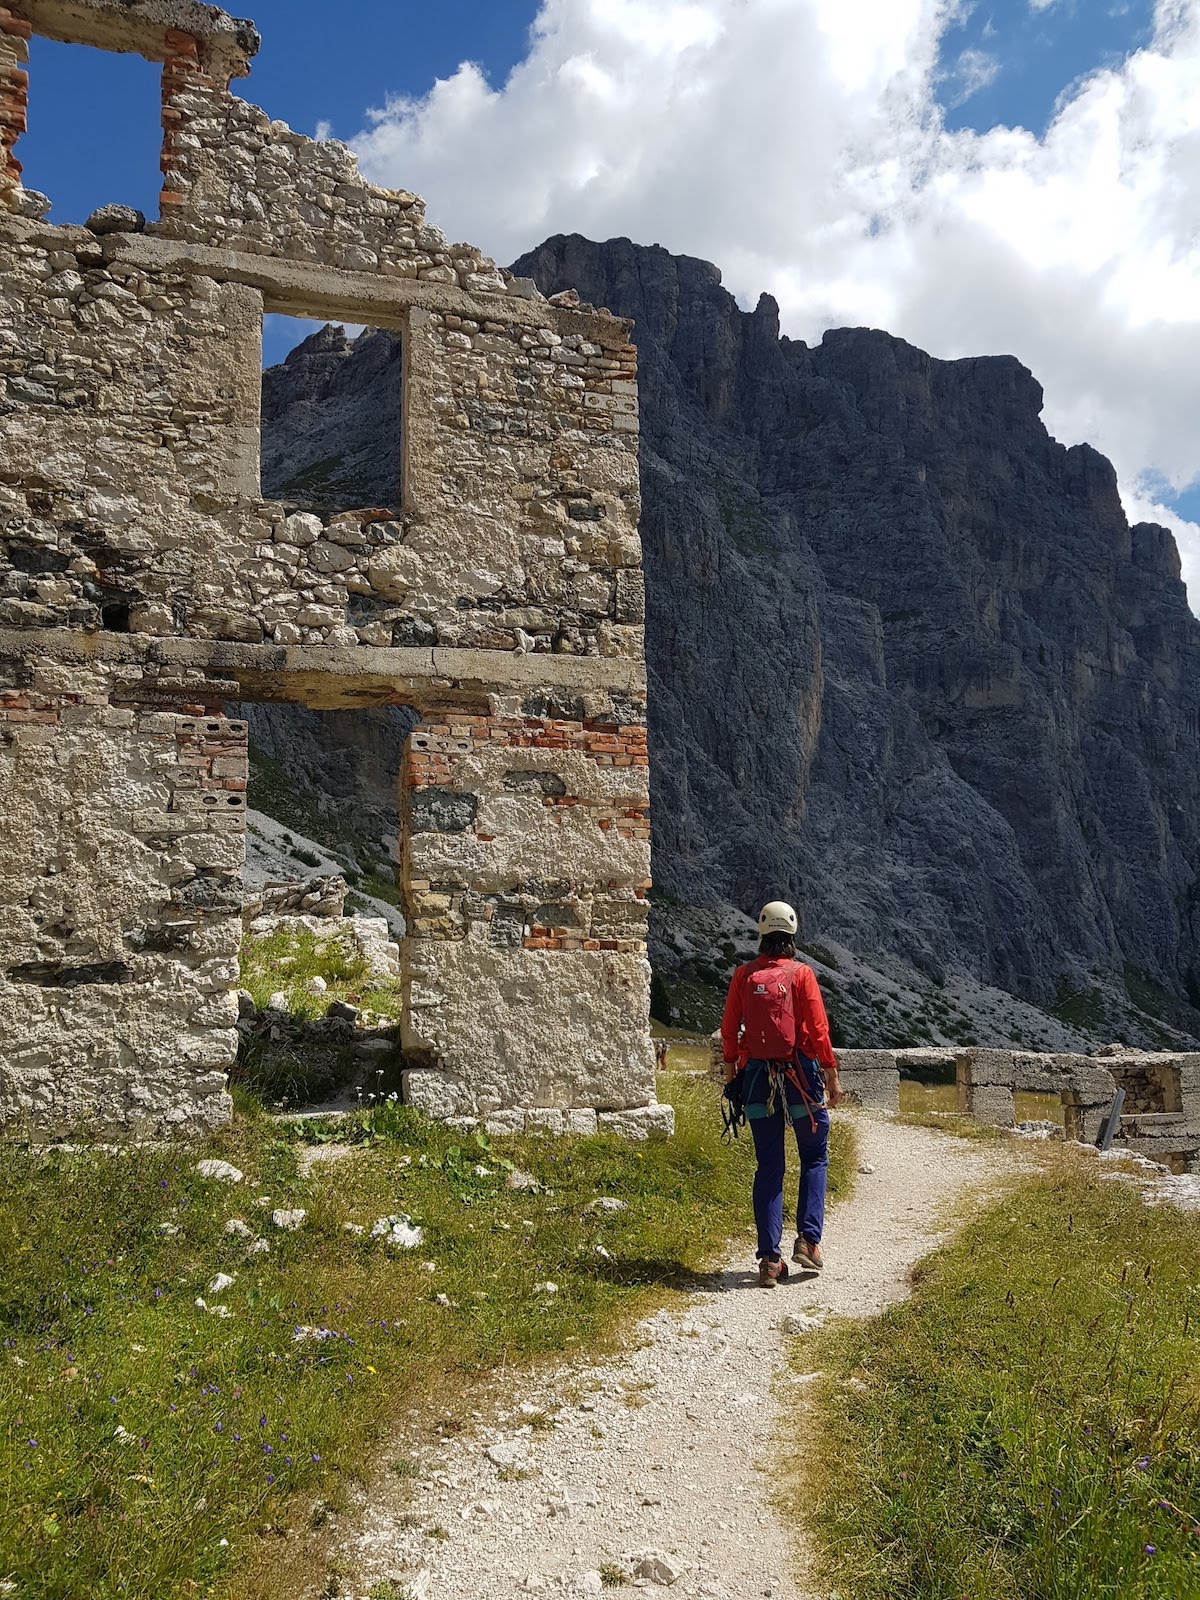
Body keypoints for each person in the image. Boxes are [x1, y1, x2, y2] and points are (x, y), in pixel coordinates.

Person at [721, 901, 843, 1288]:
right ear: (792, 935)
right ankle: (808, 1240)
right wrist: (832, 1077)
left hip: (757, 1077)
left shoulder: (744, 975)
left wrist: (731, 1073)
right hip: (801, 1078)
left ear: (761, 934)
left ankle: (769, 1260)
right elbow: (819, 1029)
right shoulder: (801, 974)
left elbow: (729, 1029)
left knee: (769, 1166)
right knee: (814, 1155)